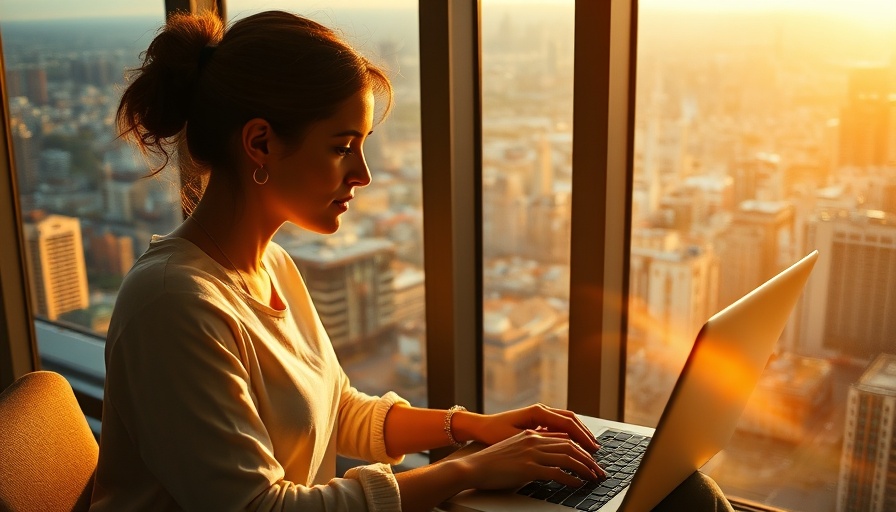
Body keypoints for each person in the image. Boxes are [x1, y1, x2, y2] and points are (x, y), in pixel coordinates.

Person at [90, 9, 733, 512]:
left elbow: (336, 410)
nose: (363, 174)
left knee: (679, 491)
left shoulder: (271, 267)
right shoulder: (172, 306)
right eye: (343, 147)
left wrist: (471, 428)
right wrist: (469, 469)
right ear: (260, 143)